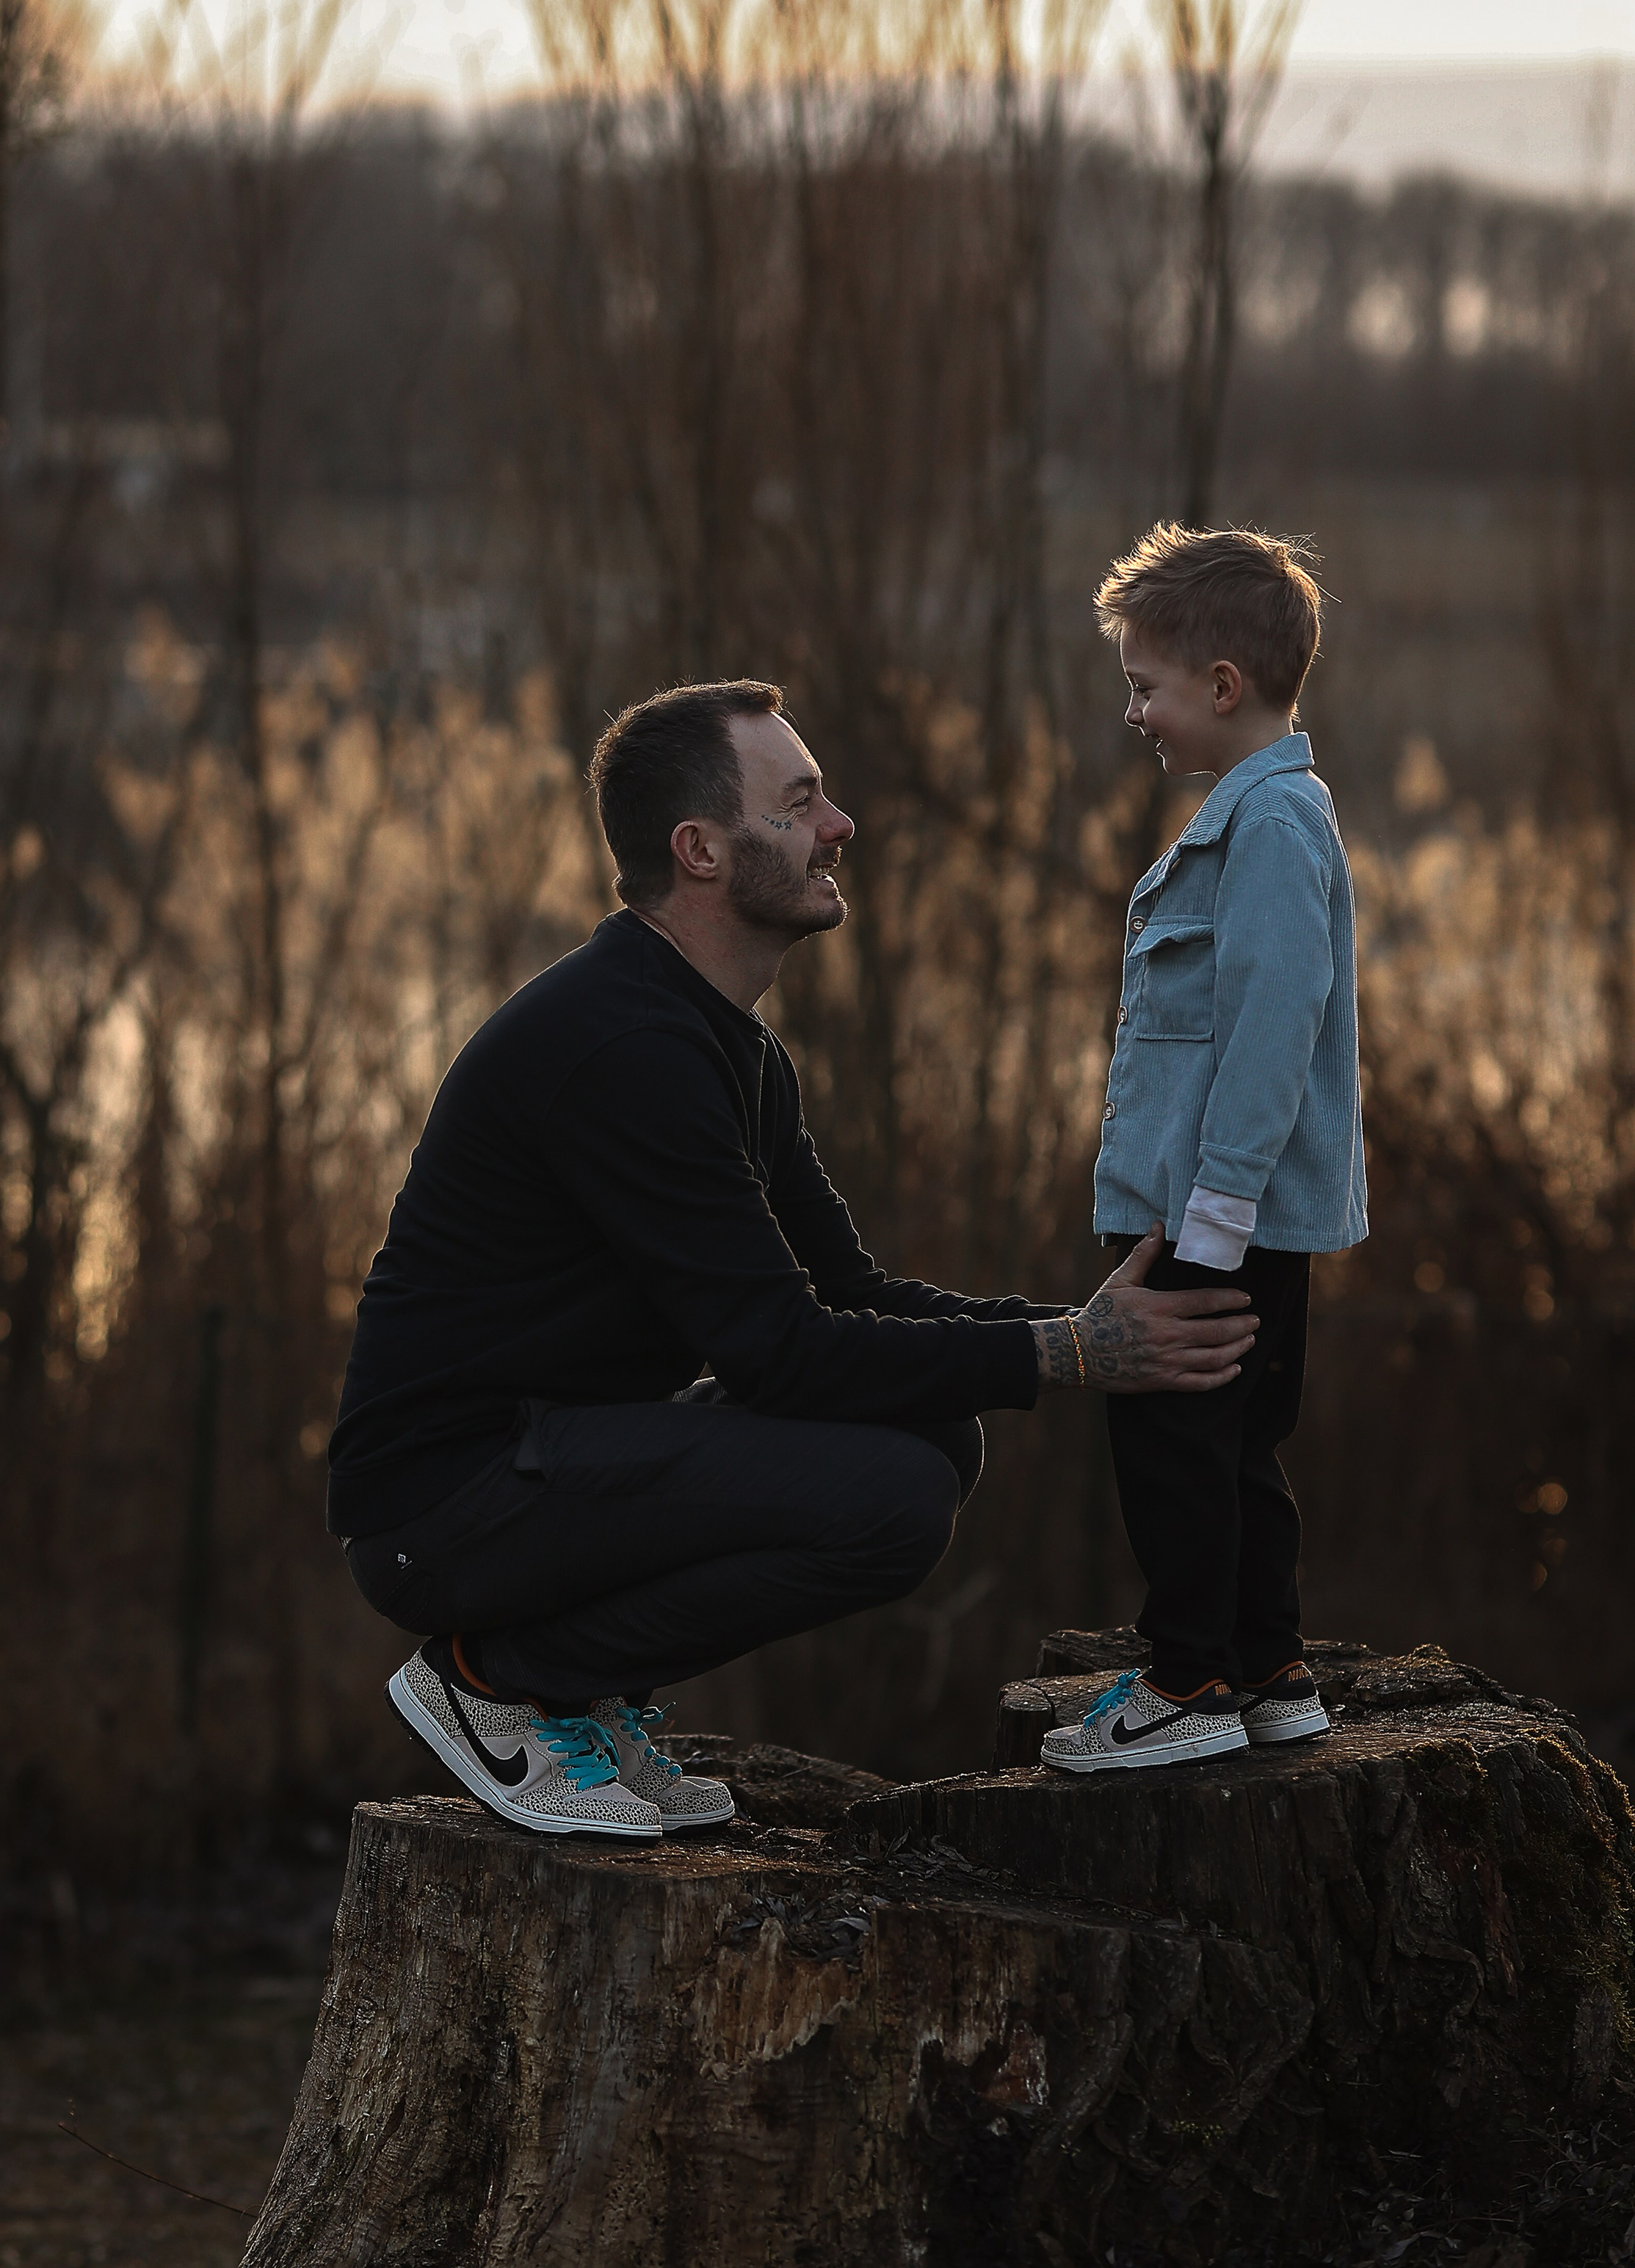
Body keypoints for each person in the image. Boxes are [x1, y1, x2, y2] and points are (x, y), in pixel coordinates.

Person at [331, 679, 1261, 1841]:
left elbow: (850, 1298)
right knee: (892, 1496)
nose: (841, 825)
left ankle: (570, 1688)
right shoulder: (627, 1048)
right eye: (802, 801)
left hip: (549, 1463)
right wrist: (1071, 1354)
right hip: (450, 1502)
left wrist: (1085, 1330)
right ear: (703, 849)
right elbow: (780, 1354)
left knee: (932, 1434)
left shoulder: (732, 1050)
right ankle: (495, 1677)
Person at [1040, 526, 1368, 1777]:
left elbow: (1274, 1029)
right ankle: (1264, 1662)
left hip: (1222, 1216)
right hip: (1224, 1214)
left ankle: (1185, 1681)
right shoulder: (1268, 816)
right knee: (1235, 1443)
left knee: (1171, 1434)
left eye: (1145, 686)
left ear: (1222, 687)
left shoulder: (1272, 827)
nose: (1135, 712)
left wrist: (1215, 1209)